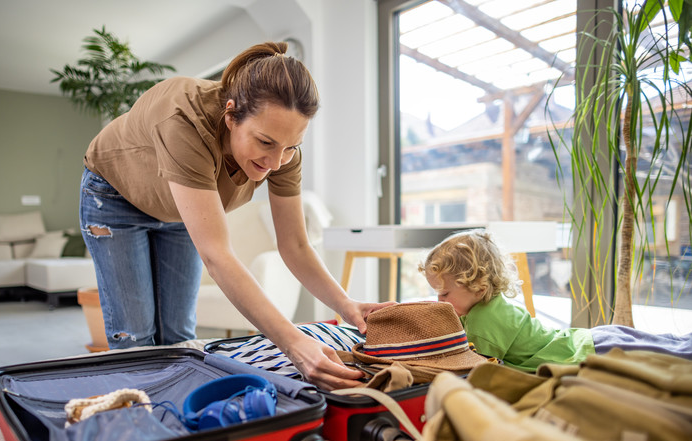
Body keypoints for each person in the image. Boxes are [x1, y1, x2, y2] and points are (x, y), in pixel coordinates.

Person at [80, 41, 392, 390]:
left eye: (291, 147)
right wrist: (294, 344)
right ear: (230, 116)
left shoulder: (283, 153)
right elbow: (217, 255)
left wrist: (346, 305)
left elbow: (296, 246)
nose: (276, 163)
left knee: (179, 336)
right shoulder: (184, 122)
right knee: (136, 337)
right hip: (116, 196)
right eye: (265, 143)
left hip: (177, 210)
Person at [418, 229, 692, 372]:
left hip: (587, 352)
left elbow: (474, 367)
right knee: (671, 345)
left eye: (444, 294)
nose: (439, 301)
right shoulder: (487, 304)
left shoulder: (484, 320)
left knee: (676, 356)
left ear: (478, 287)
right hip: (590, 339)